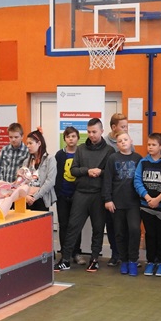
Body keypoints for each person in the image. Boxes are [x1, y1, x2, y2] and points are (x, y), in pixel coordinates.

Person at [60, 118, 114, 273]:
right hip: (81, 193)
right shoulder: (81, 149)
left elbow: (111, 173)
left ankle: (94, 259)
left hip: (98, 195)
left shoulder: (109, 151)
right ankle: (65, 259)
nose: (91, 135)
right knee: (72, 226)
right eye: (89, 132)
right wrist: (87, 171)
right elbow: (73, 170)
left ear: (102, 131)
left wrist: (100, 172)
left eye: (94, 132)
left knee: (98, 228)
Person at [103, 131, 143, 275]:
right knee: (119, 233)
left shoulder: (138, 158)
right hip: (117, 203)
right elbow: (107, 180)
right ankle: (124, 260)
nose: (123, 142)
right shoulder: (112, 158)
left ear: (131, 141)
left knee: (134, 230)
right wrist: (108, 199)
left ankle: (133, 260)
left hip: (134, 203)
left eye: (125, 139)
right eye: (120, 141)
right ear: (117, 144)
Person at [134, 132, 161, 277]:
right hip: (146, 205)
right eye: (148, 144)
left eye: (153, 145)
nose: (150, 147)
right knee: (150, 234)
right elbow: (137, 180)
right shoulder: (143, 162)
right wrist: (148, 197)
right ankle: (150, 261)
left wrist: (158, 199)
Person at [54, 126, 82, 271]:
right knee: (63, 224)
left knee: (75, 225)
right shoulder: (59, 155)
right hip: (62, 195)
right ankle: (65, 254)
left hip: (78, 194)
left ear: (78, 138)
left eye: (73, 136)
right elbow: (56, 174)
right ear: (64, 139)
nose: (71, 139)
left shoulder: (81, 153)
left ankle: (76, 252)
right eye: (68, 136)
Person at [104, 113, 128, 265]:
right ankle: (115, 254)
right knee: (111, 224)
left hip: (124, 192)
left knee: (125, 226)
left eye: (126, 127)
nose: (125, 129)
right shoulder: (105, 144)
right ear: (114, 127)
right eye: (122, 127)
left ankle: (127, 255)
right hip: (109, 191)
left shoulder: (127, 142)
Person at [23, 130, 56, 212]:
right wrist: (26, 196)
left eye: (30, 143)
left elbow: (50, 181)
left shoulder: (50, 159)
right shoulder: (26, 161)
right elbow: (22, 181)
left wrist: (35, 197)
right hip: (27, 198)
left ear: (39, 143)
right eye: (27, 143)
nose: (28, 146)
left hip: (41, 198)